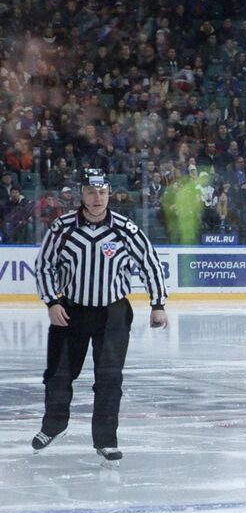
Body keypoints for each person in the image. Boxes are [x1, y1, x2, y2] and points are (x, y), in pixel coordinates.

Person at [33, 168, 168, 466]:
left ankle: (106, 440)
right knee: (58, 374)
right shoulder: (62, 228)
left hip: (113, 314)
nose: (97, 198)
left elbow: (150, 264)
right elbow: (44, 266)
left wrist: (158, 304)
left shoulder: (125, 228)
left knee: (109, 379)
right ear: (81, 193)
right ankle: (54, 425)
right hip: (71, 312)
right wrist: (52, 302)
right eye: (92, 192)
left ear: (110, 194)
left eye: (103, 192)